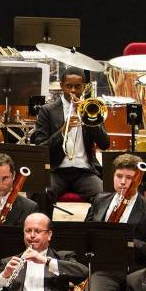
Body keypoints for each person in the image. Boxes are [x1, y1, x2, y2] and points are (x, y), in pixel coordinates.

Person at [83, 153, 146, 291]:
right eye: (119, 176)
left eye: (129, 177)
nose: (122, 182)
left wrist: (125, 241)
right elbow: (85, 233)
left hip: (137, 270)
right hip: (106, 270)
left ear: (138, 180)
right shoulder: (99, 201)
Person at [31, 67, 109, 203]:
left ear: (84, 87)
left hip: (85, 172)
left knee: (104, 196)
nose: (73, 90)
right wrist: (62, 131)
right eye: (69, 86)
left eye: (78, 86)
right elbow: (41, 148)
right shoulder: (47, 110)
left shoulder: (92, 108)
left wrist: (88, 119)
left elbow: (105, 144)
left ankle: (91, 218)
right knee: (42, 192)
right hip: (56, 171)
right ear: (62, 86)